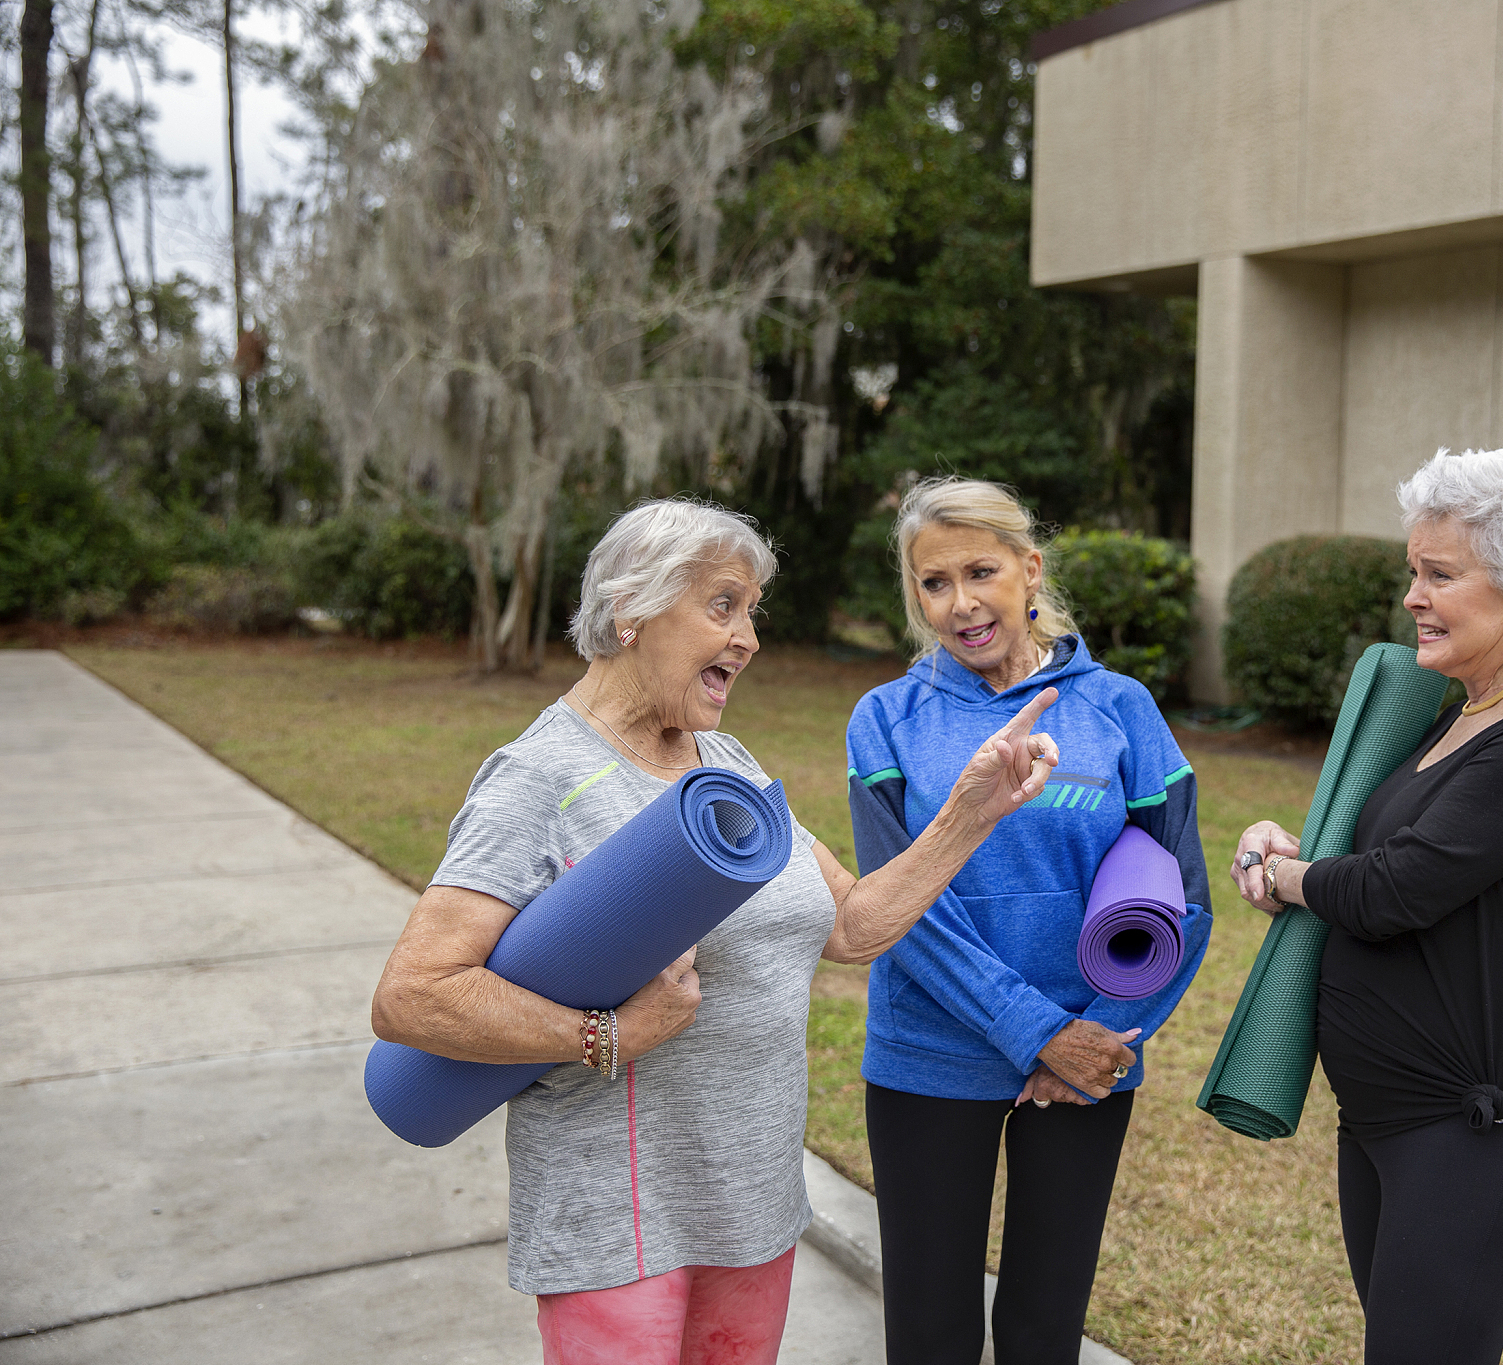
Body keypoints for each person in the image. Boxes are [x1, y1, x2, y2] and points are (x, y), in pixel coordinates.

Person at [370, 496, 1062, 1365]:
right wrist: (605, 1033)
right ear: (630, 610)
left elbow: (849, 924)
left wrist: (971, 811)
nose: (750, 637)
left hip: (752, 1198)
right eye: (723, 605)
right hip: (616, 1214)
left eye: (751, 611)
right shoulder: (541, 775)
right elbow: (413, 994)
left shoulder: (724, 763)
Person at [1232, 447, 1503, 1365]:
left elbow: (1394, 890)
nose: (1413, 594)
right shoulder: (1463, 708)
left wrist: (1295, 882)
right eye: (1414, 570)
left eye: (1440, 574)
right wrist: (1292, 850)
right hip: (1394, 1115)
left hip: (1486, 1123)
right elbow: (1386, 862)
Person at [845, 476, 1212, 1365]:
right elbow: (902, 907)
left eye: (981, 571)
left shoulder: (1122, 708)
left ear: (1029, 569)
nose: (962, 602)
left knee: (1046, 1331)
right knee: (930, 1333)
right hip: (931, 1056)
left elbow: (1185, 899)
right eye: (934, 583)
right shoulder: (885, 720)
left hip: (1089, 1060)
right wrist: (1038, 1032)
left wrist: (1102, 1036)